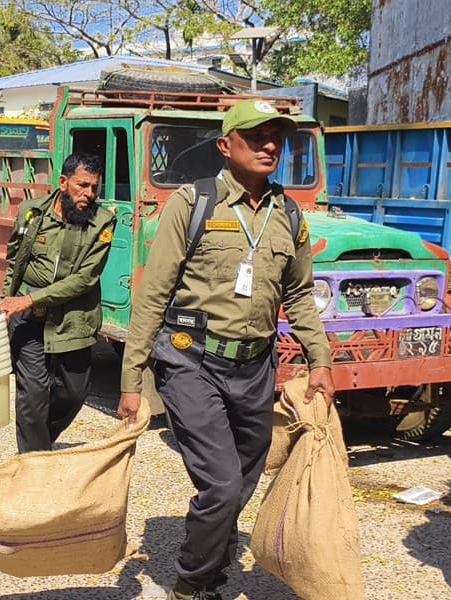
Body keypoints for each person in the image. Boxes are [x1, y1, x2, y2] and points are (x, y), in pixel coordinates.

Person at [118, 100, 335, 600]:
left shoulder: (288, 213)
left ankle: (210, 566)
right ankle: (191, 584)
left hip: (255, 368)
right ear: (225, 146)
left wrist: (320, 359)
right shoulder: (191, 204)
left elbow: (299, 293)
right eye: (256, 136)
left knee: (243, 480)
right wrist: (132, 382)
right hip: (192, 361)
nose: (269, 146)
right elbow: (153, 295)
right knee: (219, 485)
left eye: (276, 137)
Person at [0, 153, 115, 453]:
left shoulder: (103, 222)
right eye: (82, 186)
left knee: (73, 394)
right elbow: (16, 260)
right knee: (32, 395)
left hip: (73, 317)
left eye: (94, 188)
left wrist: (29, 298)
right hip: (30, 318)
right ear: (63, 182)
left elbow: (84, 279)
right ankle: (33, 462)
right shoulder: (31, 213)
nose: (89, 195)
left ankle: (38, 440)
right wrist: (6, 301)